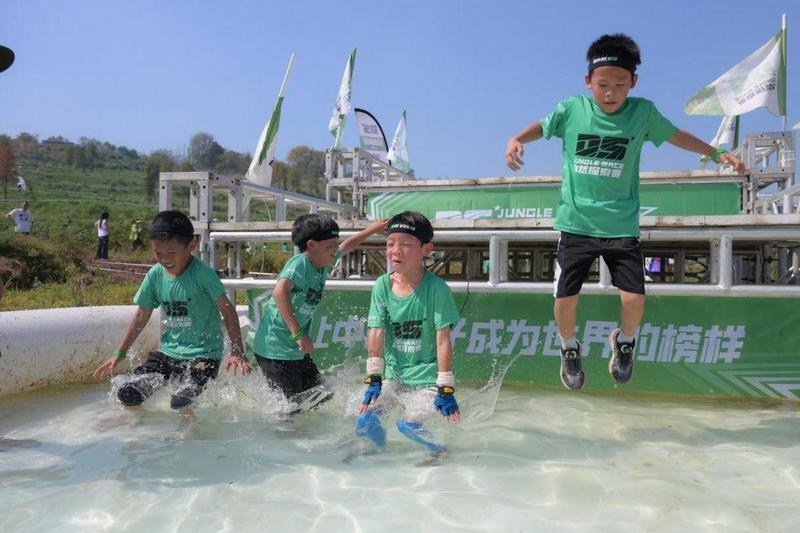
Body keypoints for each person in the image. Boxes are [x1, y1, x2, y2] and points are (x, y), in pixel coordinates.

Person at [504, 34, 745, 390]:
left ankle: (624, 342)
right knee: (565, 300)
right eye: (602, 85)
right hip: (577, 224)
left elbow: (676, 135)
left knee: (634, 299)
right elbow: (543, 125)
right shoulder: (571, 109)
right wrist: (517, 139)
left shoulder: (642, 113)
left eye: (619, 85)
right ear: (588, 81)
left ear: (633, 81)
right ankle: (569, 347)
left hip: (621, 226)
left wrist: (715, 153)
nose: (610, 93)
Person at [92, 210, 251, 409]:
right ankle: (138, 426)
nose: (164, 259)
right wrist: (120, 352)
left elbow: (227, 310)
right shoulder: (155, 275)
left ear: (191, 245)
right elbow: (141, 315)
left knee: (181, 400)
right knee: (129, 392)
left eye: (171, 253)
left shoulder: (202, 274)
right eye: (158, 253)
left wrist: (237, 352)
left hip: (204, 356)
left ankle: (187, 425)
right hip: (167, 354)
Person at [253, 214, 387, 407]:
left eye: (336, 244)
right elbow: (279, 292)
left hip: (295, 350)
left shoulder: (322, 261)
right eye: (330, 246)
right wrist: (298, 333)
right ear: (312, 245)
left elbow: (347, 246)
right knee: (290, 408)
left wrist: (371, 230)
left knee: (321, 396)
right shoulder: (300, 264)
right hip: (275, 349)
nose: (335, 249)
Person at [356, 211, 461, 454]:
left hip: (427, 380)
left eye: (405, 244)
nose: (395, 251)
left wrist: (445, 386)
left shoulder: (437, 289)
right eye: (390, 243)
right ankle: (382, 460)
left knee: (408, 426)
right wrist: (374, 377)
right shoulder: (382, 285)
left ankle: (441, 452)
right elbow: (376, 332)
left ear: (426, 249)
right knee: (365, 420)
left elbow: (443, 339)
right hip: (394, 377)